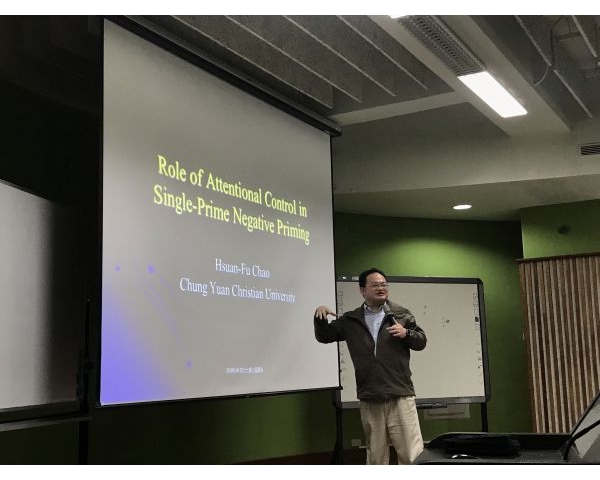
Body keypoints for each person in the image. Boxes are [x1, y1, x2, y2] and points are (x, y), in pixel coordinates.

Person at [313, 267, 427, 465]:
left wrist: (406, 333)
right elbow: (325, 336)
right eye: (375, 285)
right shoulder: (351, 320)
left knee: (411, 455)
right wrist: (320, 317)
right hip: (370, 395)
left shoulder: (401, 314)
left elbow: (421, 341)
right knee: (376, 457)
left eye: (384, 285)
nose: (381, 288)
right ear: (362, 290)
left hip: (400, 394)